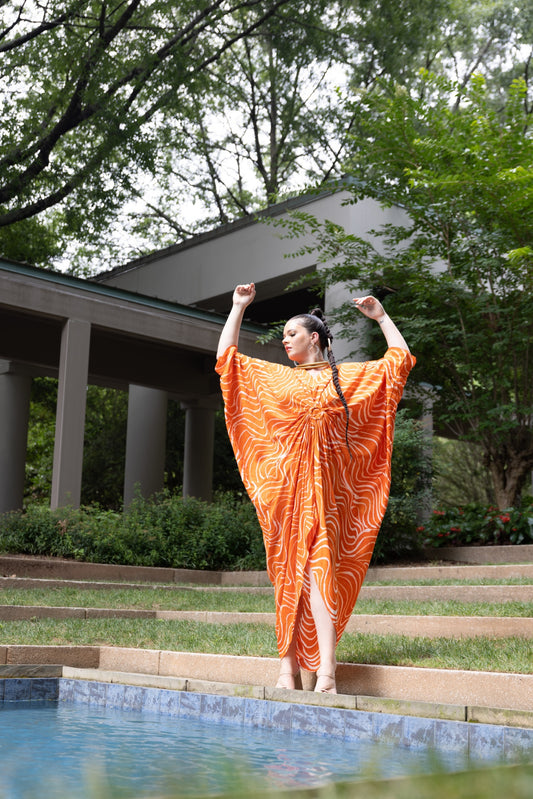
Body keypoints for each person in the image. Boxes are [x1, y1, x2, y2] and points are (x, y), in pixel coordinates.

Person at [216, 283, 415, 693]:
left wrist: (381, 318)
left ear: (315, 338)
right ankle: (286, 671)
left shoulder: (348, 379)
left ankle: (326, 673)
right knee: (288, 576)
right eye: (284, 335)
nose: (285, 340)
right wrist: (238, 308)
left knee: (320, 573)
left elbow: (398, 362)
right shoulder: (277, 381)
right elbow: (227, 362)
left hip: (327, 499)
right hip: (284, 499)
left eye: (292, 333)